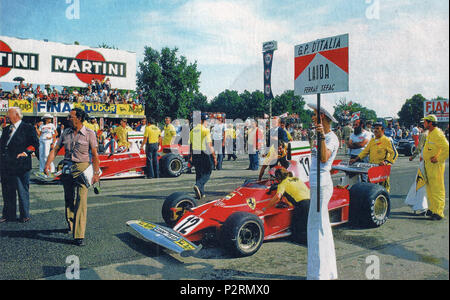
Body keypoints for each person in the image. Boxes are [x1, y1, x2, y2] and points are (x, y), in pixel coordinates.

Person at [44, 108, 100, 246]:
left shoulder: (89, 133)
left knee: (81, 201)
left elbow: (95, 155)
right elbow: (56, 149)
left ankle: (79, 235)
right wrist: (47, 164)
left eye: (71, 116)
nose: (68, 118)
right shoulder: (66, 133)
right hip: (67, 168)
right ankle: (71, 224)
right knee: (69, 198)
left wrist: (96, 173)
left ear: (79, 118)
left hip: (83, 168)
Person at [306, 102, 339, 280]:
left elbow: (324, 158)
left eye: (315, 114)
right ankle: (319, 271)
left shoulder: (331, 138)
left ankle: (321, 274)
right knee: (315, 227)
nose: (312, 117)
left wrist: (320, 136)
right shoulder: (319, 135)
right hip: (314, 185)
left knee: (318, 227)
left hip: (322, 185)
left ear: (323, 117)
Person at [0, 107, 40, 223]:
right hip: (6, 164)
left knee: (22, 189)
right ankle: (8, 214)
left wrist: (26, 152)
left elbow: (35, 144)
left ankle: (24, 215)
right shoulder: (7, 129)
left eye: (9, 114)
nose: (7, 116)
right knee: (7, 190)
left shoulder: (28, 128)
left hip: (21, 164)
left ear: (16, 114)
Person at [257, 168, 310, 241]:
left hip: (302, 205)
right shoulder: (297, 179)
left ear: (278, 177)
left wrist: (265, 208)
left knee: (296, 231)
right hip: (311, 202)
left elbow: (277, 197)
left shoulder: (282, 184)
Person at [349, 122, 398, 192]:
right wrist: (355, 159)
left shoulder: (387, 140)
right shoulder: (372, 140)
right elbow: (364, 152)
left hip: (383, 169)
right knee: (371, 189)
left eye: (378, 128)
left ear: (383, 130)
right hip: (373, 168)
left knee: (384, 190)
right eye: (374, 128)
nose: (375, 130)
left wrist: (386, 162)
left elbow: (395, 154)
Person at [421, 114, 449, 220]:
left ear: (431, 123)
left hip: (436, 165)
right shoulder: (430, 133)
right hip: (428, 164)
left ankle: (438, 212)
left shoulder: (438, 134)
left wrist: (438, 158)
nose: (424, 124)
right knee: (429, 188)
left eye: (425, 122)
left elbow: (447, 148)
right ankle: (432, 209)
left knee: (437, 189)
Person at [189, 114, 217, 199]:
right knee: (208, 170)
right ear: (202, 121)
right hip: (204, 152)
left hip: (195, 152)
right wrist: (214, 157)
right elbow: (209, 144)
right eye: (206, 121)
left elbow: (191, 144)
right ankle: (199, 185)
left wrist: (191, 156)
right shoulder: (205, 130)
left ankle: (201, 192)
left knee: (199, 172)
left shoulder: (192, 131)